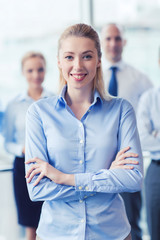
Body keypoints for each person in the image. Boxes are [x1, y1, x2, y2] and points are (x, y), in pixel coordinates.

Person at [25, 23, 143, 240]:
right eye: (69, 57)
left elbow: (133, 179)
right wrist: (106, 178)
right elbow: (37, 190)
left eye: (87, 56)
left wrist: (63, 177)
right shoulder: (38, 113)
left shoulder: (121, 110)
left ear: (99, 60)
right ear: (59, 62)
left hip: (112, 233)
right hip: (55, 234)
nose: (78, 66)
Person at [101, 23, 153, 240]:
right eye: (109, 39)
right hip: (98, 159)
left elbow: (153, 115)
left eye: (118, 38)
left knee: (131, 223)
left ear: (125, 42)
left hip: (128, 161)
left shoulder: (140, 79)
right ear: (101, 43)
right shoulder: (88, 78)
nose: (113, 44)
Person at [2, 51, 53, 240]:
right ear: (23, 72)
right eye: (30, 70)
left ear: (46, 71)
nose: (35, 75)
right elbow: (7, 142)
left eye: (40, 69)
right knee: (31, 228)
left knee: (54, 223)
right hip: (24, 169)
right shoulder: (13, 104)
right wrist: (22, 149)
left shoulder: (56, 100)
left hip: (51, 167)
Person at [137, 85, 160, 240]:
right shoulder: (149, 97)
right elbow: (143, 139)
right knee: (156, 228)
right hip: (157, 168)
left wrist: (156, 134)